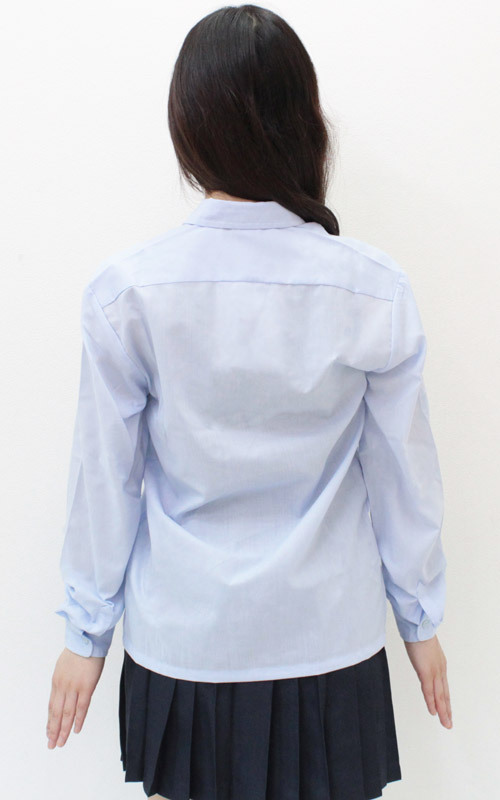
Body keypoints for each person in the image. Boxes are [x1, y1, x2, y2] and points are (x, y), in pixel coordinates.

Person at [46, 4, 452, 799]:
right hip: (328, 642)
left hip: (185, 646)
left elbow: (105, 480)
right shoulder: (372, 289)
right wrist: (421, 619)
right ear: (306, 123)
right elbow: (404, 475)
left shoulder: (130, 292)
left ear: (188, 129)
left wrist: (85, 634)